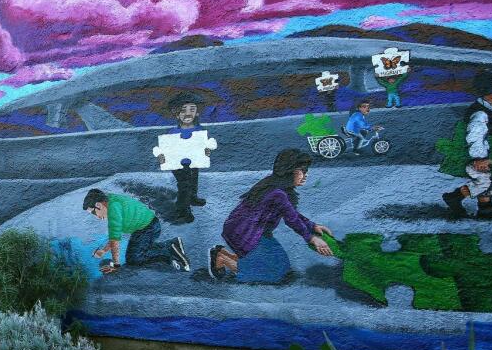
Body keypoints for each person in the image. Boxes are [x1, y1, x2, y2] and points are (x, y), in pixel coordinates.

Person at [208, 149, 334, 283]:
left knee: (281, 266)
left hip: (248, 231)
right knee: (273, 273)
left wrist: (312, 226)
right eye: (302, 171)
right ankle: (223, 259)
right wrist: (311, 238)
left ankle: (221, 254)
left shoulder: (275, 185)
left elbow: (291, 213)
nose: (305, 175)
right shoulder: (278, 193)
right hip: (245, 233)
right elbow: (292, 219)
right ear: (289, 171)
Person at [442, 66, 492, 219]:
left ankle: (485, 207)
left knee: (485, 179)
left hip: (480, 154)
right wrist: (479, 158)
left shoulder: (490, 109)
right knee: (482, 182)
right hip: (475, 156)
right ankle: (455, 197)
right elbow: (475, 136)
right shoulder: (481, 113)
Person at [83, 189, 189, 274]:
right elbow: (114, 237)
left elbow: (115, 240)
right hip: (144, 228)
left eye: (93, 213)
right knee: (133, 257)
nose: (96, 217)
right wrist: (103, 251)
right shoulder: (111, 201)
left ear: (99, 205)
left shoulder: (113, 210)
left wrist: (116, 265)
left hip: (149, 227)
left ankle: (168, 250)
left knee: (136, 258)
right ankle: (172, 244)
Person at [155, 93, 216, 224]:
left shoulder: (199, 130)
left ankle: (193, 198)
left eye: (192, 110)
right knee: (184, 186)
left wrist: (208, 149)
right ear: (177, 114)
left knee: (193, 180)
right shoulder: (172, 133)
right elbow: (163, 149)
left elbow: (207, 143)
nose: (188, 114)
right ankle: (182, 211)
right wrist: (160, 156)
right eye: (183, 110)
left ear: (197, 113)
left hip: (193, 162)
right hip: (178, 165)